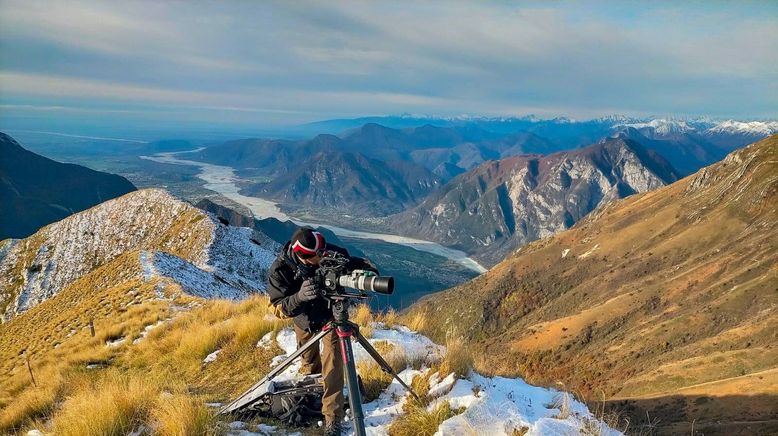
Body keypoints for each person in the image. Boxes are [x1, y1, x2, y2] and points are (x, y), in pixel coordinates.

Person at [267, 226, 378, 436]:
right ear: (303, 257)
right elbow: (277, 309)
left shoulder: (330, 252)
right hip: (304, 321)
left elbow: (352, 262)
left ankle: (332, 418)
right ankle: (314, 394)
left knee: (333, 366)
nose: (322, 256)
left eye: (323, 250)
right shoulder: (280, 270)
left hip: (331, 317)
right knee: (310, 365)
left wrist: (368, 270)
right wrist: (299, 297)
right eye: (317, 255)